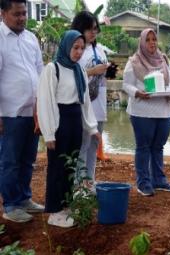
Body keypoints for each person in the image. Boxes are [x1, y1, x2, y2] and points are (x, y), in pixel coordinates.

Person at [37, 30, 99, 228]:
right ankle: (54, 211)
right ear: (66, 46)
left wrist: (92, 127)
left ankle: (66, 205)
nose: (79, 52)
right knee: (57, 167)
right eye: (75, 48)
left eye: (82, 48)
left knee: (71, 165)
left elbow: (85, 101)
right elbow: (46, 102)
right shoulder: (52, 69)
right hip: (59, 121)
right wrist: (49, 133)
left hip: (74, 120)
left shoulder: (78, 70)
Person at [0, 0, 44, 223]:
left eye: (24, 13)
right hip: (10, 113)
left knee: (28, 159)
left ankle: (24, 198)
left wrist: (42, 106)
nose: (22, 18)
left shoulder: (31, 38)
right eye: (17, 14)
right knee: (10, 161)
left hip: (33, 112)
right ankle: (10, 205)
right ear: (3, 13)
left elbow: (40, 71)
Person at [122, 28, 170, 196]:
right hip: (142, 111)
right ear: (142, 42)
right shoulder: (134, 61)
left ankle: (159, 180)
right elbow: (126, 84)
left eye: (154, 39)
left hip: (164, 111)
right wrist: (137, 93)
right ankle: (143, 183)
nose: (152, 43)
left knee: (158, 147)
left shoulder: (164, 60)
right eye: (148, 40)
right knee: (144, 147)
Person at [71, 11, 109, 190]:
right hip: (83, 105)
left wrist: (108, 71)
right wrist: (93, 71)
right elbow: (71, 76)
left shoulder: (99, 49)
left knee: (94, 143)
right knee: (83, 144)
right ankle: (79, 183)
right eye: (89, 29)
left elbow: (102, 72)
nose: (93, 33)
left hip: (99, 103)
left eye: (95, 29)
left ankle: (90, 180)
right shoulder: (76, 50)